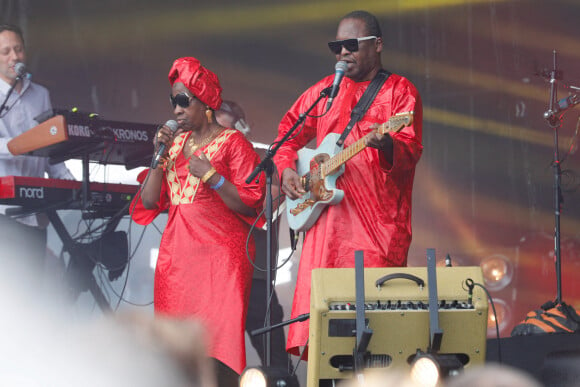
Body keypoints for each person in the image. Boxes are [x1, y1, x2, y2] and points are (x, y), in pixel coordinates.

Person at [273, 10, 423, 357]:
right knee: (325, 336)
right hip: (325, 228)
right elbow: (287, 136)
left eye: (351, 45)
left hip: (374, 230)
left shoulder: (399, 91)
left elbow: (411, 149)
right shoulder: (324, 91)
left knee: (373, 337)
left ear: (378, 45)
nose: (343, 53)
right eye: (336, 46)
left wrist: (386, 143)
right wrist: (287, 172)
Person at [130, 57, 265, 387]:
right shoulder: (173, 145)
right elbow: (150, 201)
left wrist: (213, 178)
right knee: (175, 352)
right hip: (177, 263)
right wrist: (158, 156)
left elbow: (252, 202)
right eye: (171, 101)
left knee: (219, 349)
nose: (175, 109)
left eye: (182, 100)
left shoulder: (234, 142)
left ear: (205, 103)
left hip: (222, 262)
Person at [216, 100, 298, 380]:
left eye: (227, 130)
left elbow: (270, 201)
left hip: (255, 281)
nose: (222, 138)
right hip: (218, 278)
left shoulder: (263, 159)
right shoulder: (208, 161)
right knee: (217, 361)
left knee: (275, 361)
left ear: (242, 129)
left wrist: (222, 185)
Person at [0, 24, 73, 275]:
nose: (14, 57)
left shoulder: (41, 95)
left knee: (31, 288)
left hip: (36, 214)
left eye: (18, 50)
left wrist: (69, 183)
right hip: (3, 213)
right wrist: (19, 146)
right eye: (6, 51)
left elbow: (50, 149)